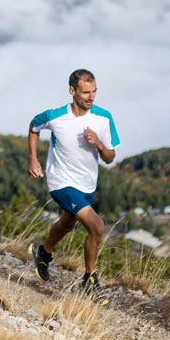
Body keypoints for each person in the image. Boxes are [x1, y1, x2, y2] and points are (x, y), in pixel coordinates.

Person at [28, 69, 120, 300]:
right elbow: (33, 126)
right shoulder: (56, 116)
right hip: (61, 181)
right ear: (72, 91)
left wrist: (98, 144)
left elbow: (110, 158)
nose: (91, 97)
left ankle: (43, 252)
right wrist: (33, 159)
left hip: (87, 184)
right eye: (86, 92)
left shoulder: (103, 118)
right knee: (96, 226)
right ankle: (89, 279)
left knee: (67, 223)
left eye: (94, 92)